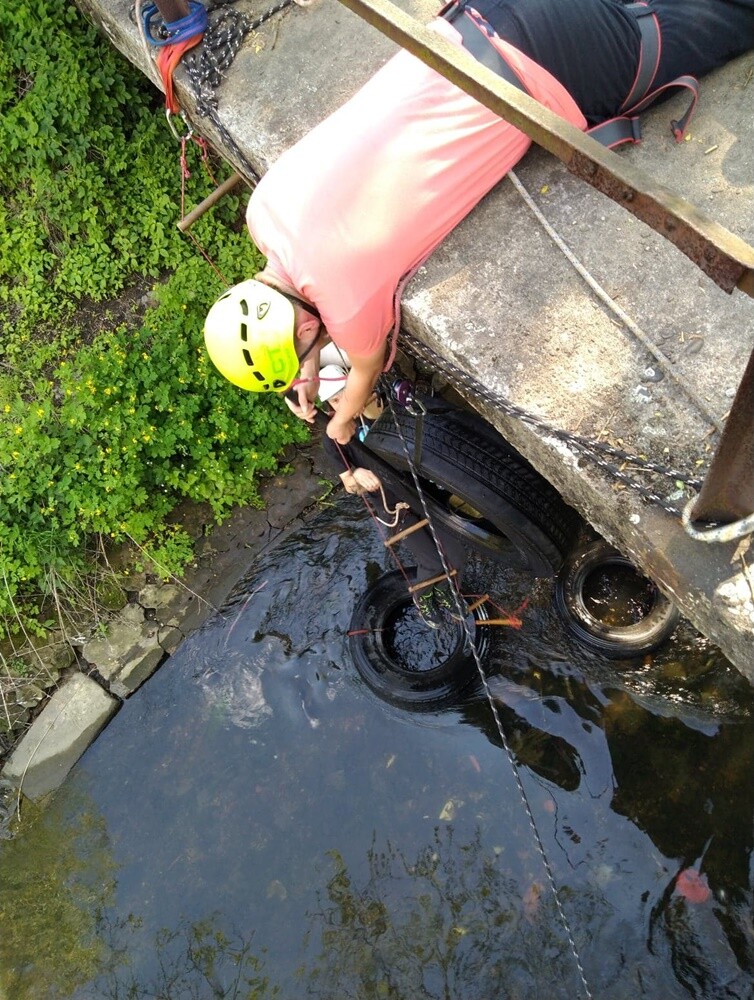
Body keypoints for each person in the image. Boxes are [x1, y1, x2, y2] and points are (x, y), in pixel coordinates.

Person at [203, 0, 754, 444]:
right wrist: (299, 363)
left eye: (306, 350)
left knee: (720, 21)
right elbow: (310, 300)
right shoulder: (263, 211)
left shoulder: (346, 302)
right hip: (474, 21)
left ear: (305, 329)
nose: (313, 355)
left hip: (550, 66)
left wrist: (342, 420)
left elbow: (362, 369)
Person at [317, 366, 467, 626]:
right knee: (431, 561)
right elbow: (350, 485)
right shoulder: (334, 437)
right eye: (334, 400)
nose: (342, 403)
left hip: (422, 491)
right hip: (394, 507)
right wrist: (357, 474)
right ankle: (424, 598)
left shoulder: (387, 406)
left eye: (345, 393)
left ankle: (445, 592)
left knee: (456, 555)